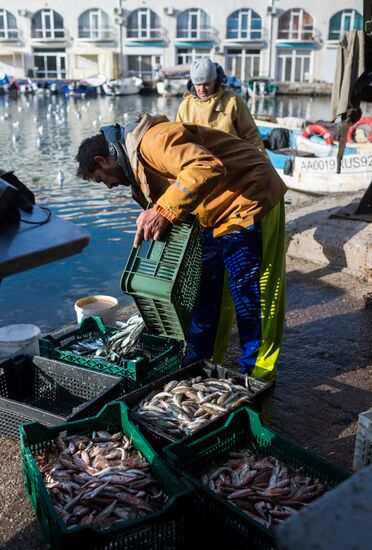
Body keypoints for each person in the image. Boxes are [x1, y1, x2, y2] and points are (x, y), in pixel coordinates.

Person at [75, 112, 287, 380]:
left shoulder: (154, 140)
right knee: (209, 292)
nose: (107, 186)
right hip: (213, 214)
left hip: (250, 198)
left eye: (100, 178)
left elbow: (205, 166)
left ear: (103, 160)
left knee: (252, 293)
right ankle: (202, 363)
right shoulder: (137, 166)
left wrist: (163, 211)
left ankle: (258, 373)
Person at [176, 58, 266, 364]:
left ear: (218, 80)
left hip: (237, 201)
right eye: (198, 83)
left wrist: (259, 177)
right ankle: (200, 355)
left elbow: (253, 140)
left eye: (207, 83)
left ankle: (250, 362)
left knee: (245, 289)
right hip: (206, 209)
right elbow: (179, 153)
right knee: (206, 288)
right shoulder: (186, 106)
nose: (202, 89)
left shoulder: (233, 104)